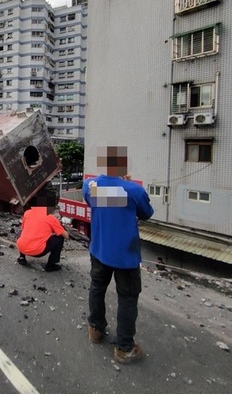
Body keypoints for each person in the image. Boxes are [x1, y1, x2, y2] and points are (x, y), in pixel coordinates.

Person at [81, 145, 154, 364]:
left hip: (99, 250)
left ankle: (95, 330)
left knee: (97, 288)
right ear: (122, 165)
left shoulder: (89, 186)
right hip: (125, 256)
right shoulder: (133, 191)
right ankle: (124, 347)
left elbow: (97, 200)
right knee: (127, 298)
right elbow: (146, 214)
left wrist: (118, 186)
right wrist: (126, 184)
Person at [16, 188, 69, 272]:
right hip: (38, 251)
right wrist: (60, 227)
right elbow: (66, 236)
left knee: (21, 232)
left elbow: (24, 228)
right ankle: (51, 265)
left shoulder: (27, 213)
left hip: (22, 247)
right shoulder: (51, 217)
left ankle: (22, 257)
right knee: (59, 238)